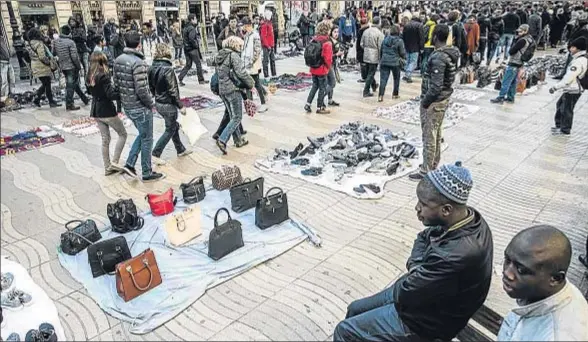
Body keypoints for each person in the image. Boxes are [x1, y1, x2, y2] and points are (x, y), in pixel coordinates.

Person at [335, 162, 493, 341]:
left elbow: (407, 292)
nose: (417, 208)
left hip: (425, 324)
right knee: (354, 308)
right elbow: (423, 237)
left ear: (446, 210)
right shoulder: (467, 218)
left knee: (344, 331)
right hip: (421, 296)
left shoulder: (458, 252)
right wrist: (417, 268)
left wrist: (416, 273)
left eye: (423, 204)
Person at [499, 225, 588, 340]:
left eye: (521, 270)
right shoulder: (536, 292)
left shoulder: (558, 336)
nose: (507, 273)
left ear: (555, 279)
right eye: (507, 260)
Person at [113, 30, 164, 182]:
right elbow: (141, 89)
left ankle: (129, 163)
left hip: (128, 105)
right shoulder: (138, 62)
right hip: (140, 107)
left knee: (143, 135)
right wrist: (151, 103)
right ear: (139, 44)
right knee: (147, 138)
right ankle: (147, 172)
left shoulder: (118, 60)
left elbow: (116, 84)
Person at [410, 24, 459, 181]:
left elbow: (436, 85)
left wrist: (425, 101)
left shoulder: (439, 57)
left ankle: (426, 170)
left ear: (436, 36)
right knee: (436, 133)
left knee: (429, 135)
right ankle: (432, 164)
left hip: (435, 101)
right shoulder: (450, 53)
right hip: (442, 98)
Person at [148, 43, 192, 165]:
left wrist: (156, 96)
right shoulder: (168, 69)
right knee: (170, 128)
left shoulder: (151, 68)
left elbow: (151, 87)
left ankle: (180, 149)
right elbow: (173, 90)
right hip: (168, 104)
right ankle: (156, 153)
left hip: (159, 102)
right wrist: (180, 105)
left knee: (173, 126)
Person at [86, 52, 126, 176]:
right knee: (123, 134)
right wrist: (119, 90)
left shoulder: (89, 76)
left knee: (105, 139)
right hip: (107, 110)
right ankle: (115, 161)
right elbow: (111, 95)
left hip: (96, 111)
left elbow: (89, 92)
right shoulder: (103, 76)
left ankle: (107, 167)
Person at [214, 36, 254, 155]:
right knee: (237, 117)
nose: (241, 48)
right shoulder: (233, 56)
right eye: (239, 45)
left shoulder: (220, 55)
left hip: (222, 89)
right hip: (233, 89)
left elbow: (210, 61)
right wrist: (251, 83)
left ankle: (238, 140)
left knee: (232, 116)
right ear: (234, 45)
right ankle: (222, 139)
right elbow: (241, 73)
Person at [548, 37, 587, 136]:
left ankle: (565, 129)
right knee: (560, 105)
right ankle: (559, 126)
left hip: (573, 89)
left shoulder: (579, 61)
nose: (570, 49)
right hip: (572, 88)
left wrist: (556, 87)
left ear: (578, 48)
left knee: (566, 109)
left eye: (573, 47)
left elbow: (569, 77)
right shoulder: (579, 59)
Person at [491, 24, 534, 105]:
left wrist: (515, 40)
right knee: (513, 82)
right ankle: (511, 98)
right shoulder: (529, 39)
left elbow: (511, 51)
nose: (518, 33)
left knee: (506, 81)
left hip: (514, 62)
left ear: (525, 31)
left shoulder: (522, 40)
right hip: (520, 63)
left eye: (521, 31)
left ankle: (501, 97)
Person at [53, 25, 89, 111]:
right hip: (71, 66)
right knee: (70, 85)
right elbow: (74, 56)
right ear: (69, 32)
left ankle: (84, 99)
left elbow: (54, 53)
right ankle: (69, 104)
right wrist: (78, 66)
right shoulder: (70, 42)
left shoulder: (56, 42)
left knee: (74, 83)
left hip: (63, 66)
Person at [304, 21, 333, 114]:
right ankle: (320, 107)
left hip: (313, 68)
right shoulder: (327, 42)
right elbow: (327, 58)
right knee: (322, 88)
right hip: (322, 69)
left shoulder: (314, 39)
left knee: (314, 86)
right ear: (327, 30)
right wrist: (328, 67)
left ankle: (307, 104)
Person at [27, 28, 60, 108]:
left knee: (45, 84)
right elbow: (42, 57)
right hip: (42, 66)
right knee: (47, 84)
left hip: (35, 66)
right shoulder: (39, 43)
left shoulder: (30, 44)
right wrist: (49, 62)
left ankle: (37, 99)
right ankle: (50, 102)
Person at [241, 17, 267, 113]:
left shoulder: (255, 35)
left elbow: (257, 50)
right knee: (248, 84)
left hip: (253, 65)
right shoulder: (247, 35)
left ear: (247, 25)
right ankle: (250, 105)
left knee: (257, 84)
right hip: (246, 64)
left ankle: (263, 103)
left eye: (243, 25)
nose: (242, 28)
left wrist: (251, 62)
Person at [378, 24, 405, 101]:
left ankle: (380, 95)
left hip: (384, 61)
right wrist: (403, 58)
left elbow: (381, 50)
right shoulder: (400, 41)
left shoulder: (385, 40)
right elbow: (402, 53)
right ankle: (395, 94)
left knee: (383, 79)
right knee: (396, 78)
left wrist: (381, 59)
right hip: (395, 62)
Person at [178, 14, 207, 86]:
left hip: (186, 48)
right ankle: (201, 80)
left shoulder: (185, 27)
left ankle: (180, 77)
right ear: (192, 20)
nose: (196, 20)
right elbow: (191, 38)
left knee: (188, 65)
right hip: (192, 49)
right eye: (195, 19)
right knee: (198, 64)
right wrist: (196, 45)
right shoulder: (192, 28)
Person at [361, 17, 384, 97]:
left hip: (366, 54)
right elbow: (381, 46)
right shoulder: (379, 33)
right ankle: (366, 90)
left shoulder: (366, 31)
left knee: (369, 72)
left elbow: (361, 44)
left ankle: (374, 85)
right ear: (379, 23)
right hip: (374, 55)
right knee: (371, 73)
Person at [401, 16, 423, 83]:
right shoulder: (419, 26)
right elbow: (421, 37)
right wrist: (422, 47)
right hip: (415, 47)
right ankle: (408, 75)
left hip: (407, 46)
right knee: (413, 62)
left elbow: (403, 36)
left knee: (408, 61)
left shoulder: (406, 25)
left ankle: (406, 74)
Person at [326, 25, 341, 107]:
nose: (336, 34)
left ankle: (330, 99)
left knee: (330, 82)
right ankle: (321, 98)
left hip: (332, 64)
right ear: (331, 32)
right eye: (335, 32)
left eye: (337, 32)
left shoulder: (335, 41)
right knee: (332, 83)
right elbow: (328, 56)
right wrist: (336, 54)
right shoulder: (329, 42)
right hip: (328, 65)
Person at [260, 11, 276, 79]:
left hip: (271, 45)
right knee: (266, 61)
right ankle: (266, 75)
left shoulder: (269, 24)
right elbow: (263, 36)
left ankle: (274, 74)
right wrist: (268, 45)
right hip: (267, 46)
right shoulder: (265, 25)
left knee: (272, 60)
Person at [356, 17, 370, 83]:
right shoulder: (370, 30)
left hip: (362, 51)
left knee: (363, 65)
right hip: (369, 51)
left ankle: (364, 78)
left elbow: (359, 43)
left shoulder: (361, 31)